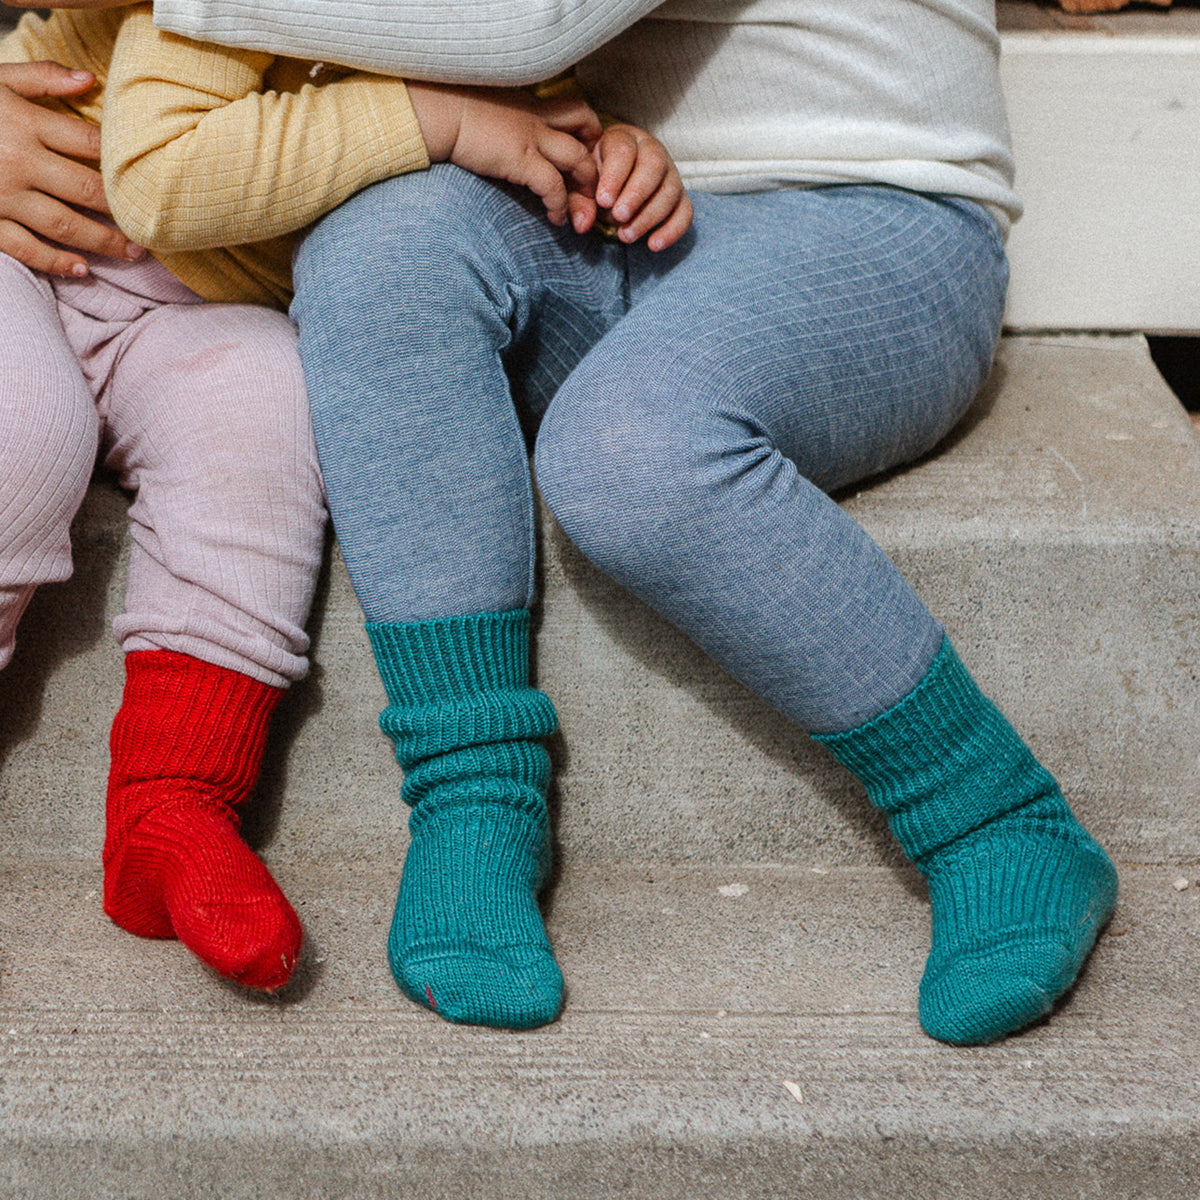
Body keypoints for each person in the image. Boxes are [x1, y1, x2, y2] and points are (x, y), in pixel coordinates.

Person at [8, 0, 1118, 1046]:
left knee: (628, 449)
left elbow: (534, 17)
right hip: (586, 177)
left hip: (868, 216)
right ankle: (473, 800)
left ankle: (994, 818)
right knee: (373, 257)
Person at [0, 2, 686, 992]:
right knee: (23, 431)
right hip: (34, 233)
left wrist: (611, 160)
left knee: (266, 410)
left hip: (193, 304)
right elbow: (166, 177)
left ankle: (171, 807)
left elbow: (535, 108)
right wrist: (432, 118)